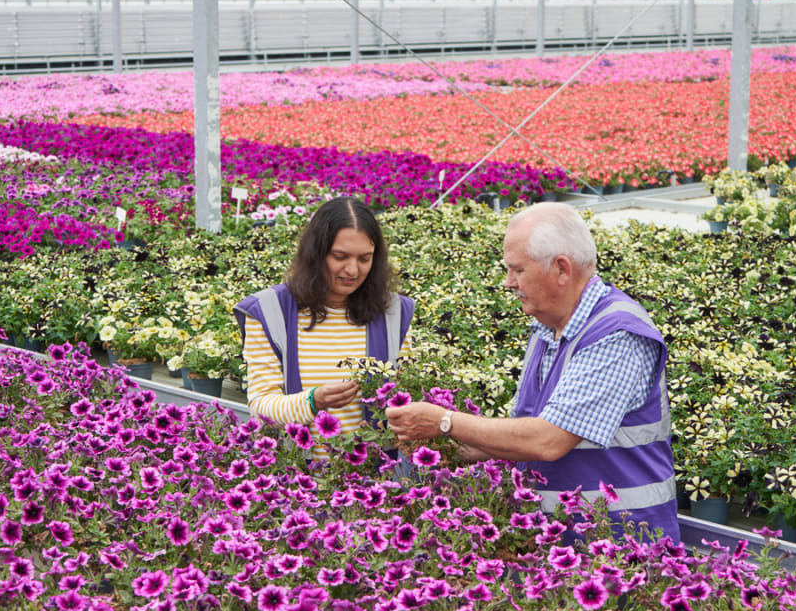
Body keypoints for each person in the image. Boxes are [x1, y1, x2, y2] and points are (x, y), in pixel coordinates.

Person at [386, 202, 677, 542]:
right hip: (563, 542)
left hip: (623, 550)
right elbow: (522, 436)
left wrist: (446, 422)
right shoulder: (549, 328)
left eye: (517, 270)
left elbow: (548, 440)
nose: (508, 283)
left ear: (561, 269)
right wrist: (443, 447)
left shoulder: (617, 334)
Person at [235, 197, 413, 454]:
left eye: (365, 259)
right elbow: (261, 406)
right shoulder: (269, 310)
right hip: (297, 485)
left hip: (374, 485)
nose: (352, 270)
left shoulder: (393, 314)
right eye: (340, 256)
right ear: (316, 253)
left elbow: (406, 399)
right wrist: (313, 401)